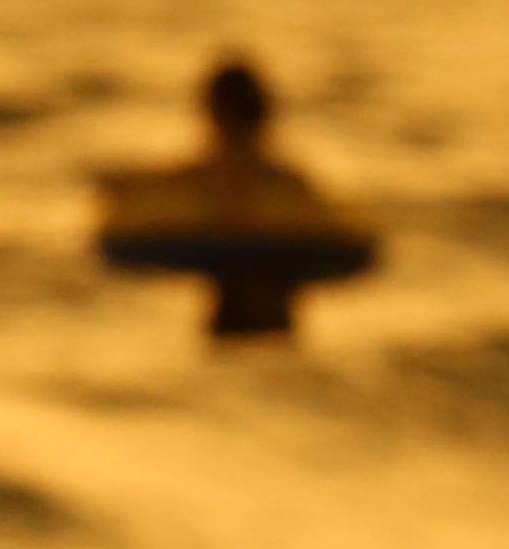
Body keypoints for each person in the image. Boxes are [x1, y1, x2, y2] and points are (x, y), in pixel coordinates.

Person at [96, 56, 377, 340]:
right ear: (265, 115)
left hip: (233, 317)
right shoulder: (291, 187)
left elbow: (120, 200)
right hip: (274, 317)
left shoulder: (194, 182)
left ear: (212, 114)